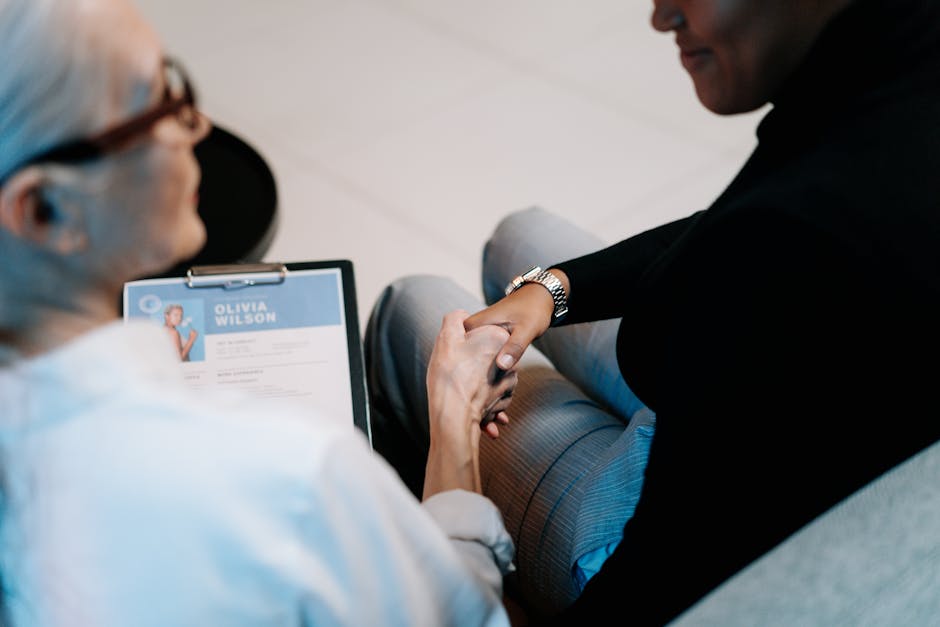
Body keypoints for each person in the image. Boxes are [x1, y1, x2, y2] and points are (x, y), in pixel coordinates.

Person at [365, 0, 940, 624]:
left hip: (705, 543)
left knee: (409, 307)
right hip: (765, 413)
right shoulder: (896, 78)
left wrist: (454, 423)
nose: (660, 17)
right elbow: (732, 226)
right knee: (520, 237)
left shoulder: (787, 248)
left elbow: (650, 593)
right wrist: (551, 289)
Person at [0, 0, 519, 625]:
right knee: (416, 301)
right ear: (41, 210)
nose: (197, 124)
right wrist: (454, 416)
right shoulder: (293, 476)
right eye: (159, 102)